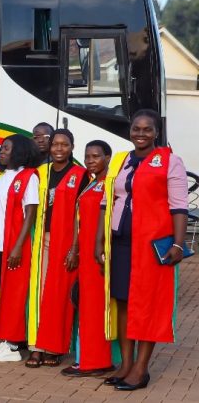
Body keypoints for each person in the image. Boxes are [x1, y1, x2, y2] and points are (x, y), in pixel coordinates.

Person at [104, 109, 188, 391]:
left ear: (156, 133)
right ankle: (126, 364)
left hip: (152, 245)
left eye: (147, 129)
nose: (140, 134)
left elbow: (179, 206)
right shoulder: (122, 160)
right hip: (122, 243)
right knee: (123, 302)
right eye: (136, 129)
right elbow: (112, 199)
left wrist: (178, 243)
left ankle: (141, 370)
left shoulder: (170, 161)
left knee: (148, 304)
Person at [27, 129, 88, 367]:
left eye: (64, 144)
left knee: (60, 296)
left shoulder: (81, 175)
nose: (59, 149)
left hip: (66, 242)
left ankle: (54, 347)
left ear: (72, 147)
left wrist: (75, 248)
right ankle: (36, 347)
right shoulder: (40, 173)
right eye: (55, 144)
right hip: (41, 240)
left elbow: (83, 215)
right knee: (40, 294)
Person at [0, 135, 40, 363]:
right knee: (5, 293)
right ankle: (16, 338)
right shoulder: (2, 176)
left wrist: (17, 247)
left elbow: (30, 214)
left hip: (14, 245)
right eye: (2, 148)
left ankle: (11, 345)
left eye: (6, 148)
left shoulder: (28, 177)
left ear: (19, 151)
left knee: (14, 294)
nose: (1, 152)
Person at [61, 140, 117, 377]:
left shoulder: (111, 184)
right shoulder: (92, 183)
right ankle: (88, 359)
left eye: (96, 156)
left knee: (95, 307)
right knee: (87, 306)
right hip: (85, 255)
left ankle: (94, 362)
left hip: (99, 255)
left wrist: (103, 250)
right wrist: (75, 248)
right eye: (87, 156)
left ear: (108, 157)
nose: (90, 161)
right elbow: (80, 221)